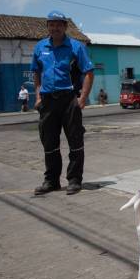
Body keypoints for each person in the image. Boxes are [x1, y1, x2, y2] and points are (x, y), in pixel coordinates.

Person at [31, 10, 94, 196]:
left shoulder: (76, 47)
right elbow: (36, 72)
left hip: (69, 100)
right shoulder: (40, 47)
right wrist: (38, 97)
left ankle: (74, 180)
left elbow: (89, 72)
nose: (55, 27)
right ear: (48, 26)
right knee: (49, 142)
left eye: (59, 24)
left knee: (75, 141)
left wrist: (82, 98)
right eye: (52, 24)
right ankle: (51, 181)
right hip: (48, 101)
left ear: (65, 27)